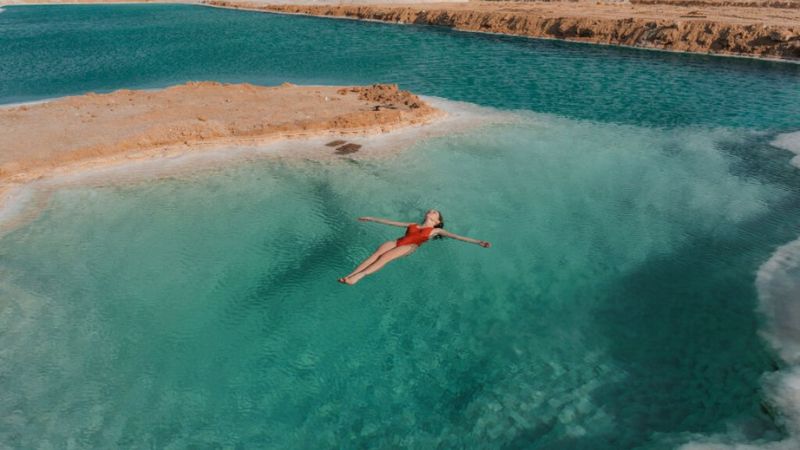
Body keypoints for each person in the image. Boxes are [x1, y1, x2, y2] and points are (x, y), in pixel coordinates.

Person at [338, 209, 491, 285]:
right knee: (374, 256)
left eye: (435, 212)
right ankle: (350, 275)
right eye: (431, 210)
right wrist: (371, 218)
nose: (431, 211)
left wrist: (478, 242)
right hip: (399, 241)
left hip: (410, 246)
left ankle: (358, 277)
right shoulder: (414, 224)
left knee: (384, 258)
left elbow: (457, 236)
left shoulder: (436, 230)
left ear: (437, 221)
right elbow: (391, 222)